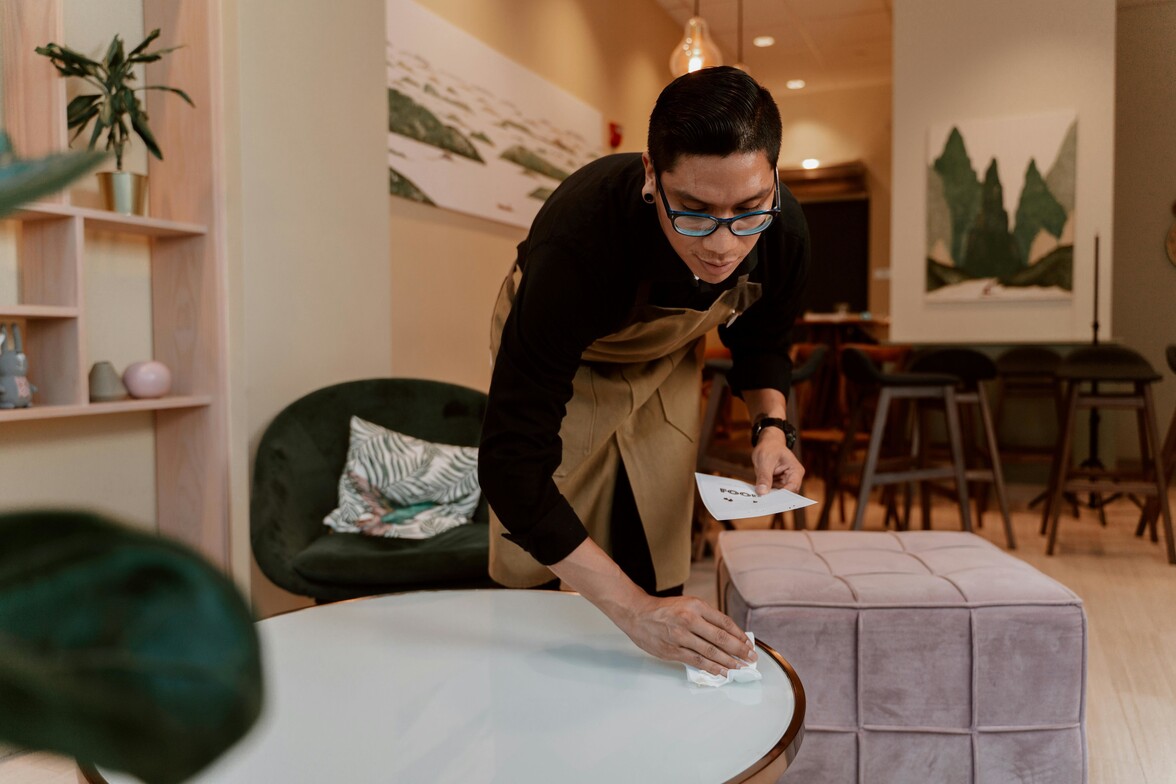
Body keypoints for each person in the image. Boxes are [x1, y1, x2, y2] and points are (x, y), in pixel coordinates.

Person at [479, 66, 809, 678]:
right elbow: (510, 466)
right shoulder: (579, 246)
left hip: (665, 356)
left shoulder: (784, 233)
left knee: (655, 523)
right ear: (652, 177)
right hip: (569, 352)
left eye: (748, 209)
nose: (723, 244)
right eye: (693, 210)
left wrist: (772, 427)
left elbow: (763, 339)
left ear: (774, 181)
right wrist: (633, 613)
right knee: (541, 558)